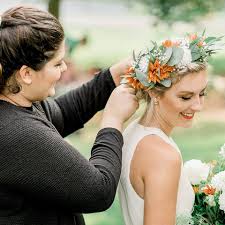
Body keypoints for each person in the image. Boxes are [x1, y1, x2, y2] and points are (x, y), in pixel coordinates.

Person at [0, 6, 138, 225]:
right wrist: (113, 121)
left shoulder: (20, 104)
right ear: (26, 74)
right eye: (57, 63)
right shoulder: (19, 134)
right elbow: (98, 191)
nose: (64, 68)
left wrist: (113, 75)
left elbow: (63, 113)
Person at [118, 34, 223, 224]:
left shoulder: (133, 132)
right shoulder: (163, 156)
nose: (198, 105)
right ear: (154, 92)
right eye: (185, 97)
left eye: (202, 93)